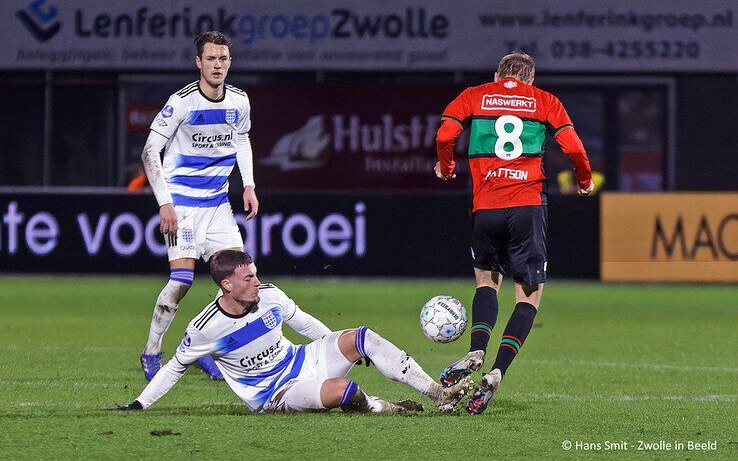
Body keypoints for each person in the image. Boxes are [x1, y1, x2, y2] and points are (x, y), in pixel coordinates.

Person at [116, 250, 472, 414]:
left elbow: (302, 322)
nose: (257, 281)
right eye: (248, 278)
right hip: (277, 392)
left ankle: (436, 391)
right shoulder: (206, 328)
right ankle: (381, 407)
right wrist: (139, 403)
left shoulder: (269, 296)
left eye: (255, 273)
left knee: (363, 336)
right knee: (346, 391)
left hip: (302, 359)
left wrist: (339, 345)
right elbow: (175, 367)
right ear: (226, 285)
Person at [434, 51, 594, 415]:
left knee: (487, 284)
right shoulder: (545, 101)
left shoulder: (475, 95)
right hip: (527, 206)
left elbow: (446, 132)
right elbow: (574, 147)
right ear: (531, 79)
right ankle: (496, 373)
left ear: (497, 74)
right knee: (529, 296)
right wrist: (584, 180)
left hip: (485, 207)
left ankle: (477, 348)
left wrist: (446, 166)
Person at [139, 30, 259, 381]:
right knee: (182, 281)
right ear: (199, 63)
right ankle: (151, 352)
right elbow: (149, 152)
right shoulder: (182, 102)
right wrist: (166, 204)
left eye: (223, 58)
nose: (217, 65)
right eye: (210, 58)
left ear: (230, 62)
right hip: (183, 206)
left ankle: (205, 350)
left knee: (240, 281)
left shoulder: (239, 101)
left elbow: (242, 139)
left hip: (219, 205)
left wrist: (248, 185)